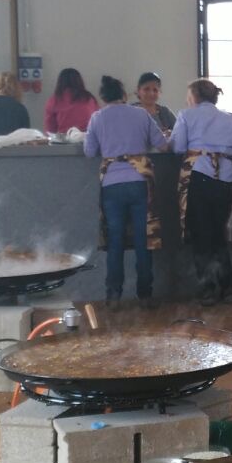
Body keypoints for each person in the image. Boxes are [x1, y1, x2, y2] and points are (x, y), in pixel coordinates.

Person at [170, 79, 232, 305]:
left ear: (194, 97)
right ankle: (228, 288)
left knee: (201, 234)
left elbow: (177, 146)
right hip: (226, 178)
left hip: (198, 175)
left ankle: (208, 289)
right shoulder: (230, 118)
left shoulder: (186, 115)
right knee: (219, 233)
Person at [84, 76, 166, 308]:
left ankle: (113, 295)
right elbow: (162, 144)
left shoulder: (97, 117)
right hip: (140, 181)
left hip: (112, 184)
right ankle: (145, 294)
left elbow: (89, 151)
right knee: (143, 240)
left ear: (103, 97)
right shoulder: (141, 114)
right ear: (124, 94)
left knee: (115, 241)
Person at [44, 67, 97, 134]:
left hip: (64, 138)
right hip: (87, 137)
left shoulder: (55, 100)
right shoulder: (89, 98)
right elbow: (98, 121)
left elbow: (50, 130)